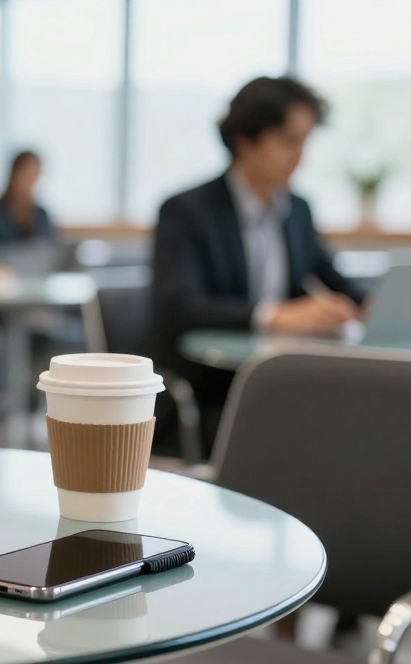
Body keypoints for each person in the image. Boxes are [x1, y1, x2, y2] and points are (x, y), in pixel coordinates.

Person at [150, 76, 364, 449]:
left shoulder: (297, 210)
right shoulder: (186, 211)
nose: (301, 155)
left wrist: (367, 305)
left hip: (285, 380)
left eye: (305, 141)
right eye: (289, 141)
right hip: (209, 389)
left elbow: (334, 278)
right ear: (244, 140)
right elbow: (179, 307)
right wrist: (275, 316)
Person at [0, 150, 56, 248]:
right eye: (25, 174)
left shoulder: (42, 215)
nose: (29, 181)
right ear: (14, 173)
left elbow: (48, 250)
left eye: (33, 175)